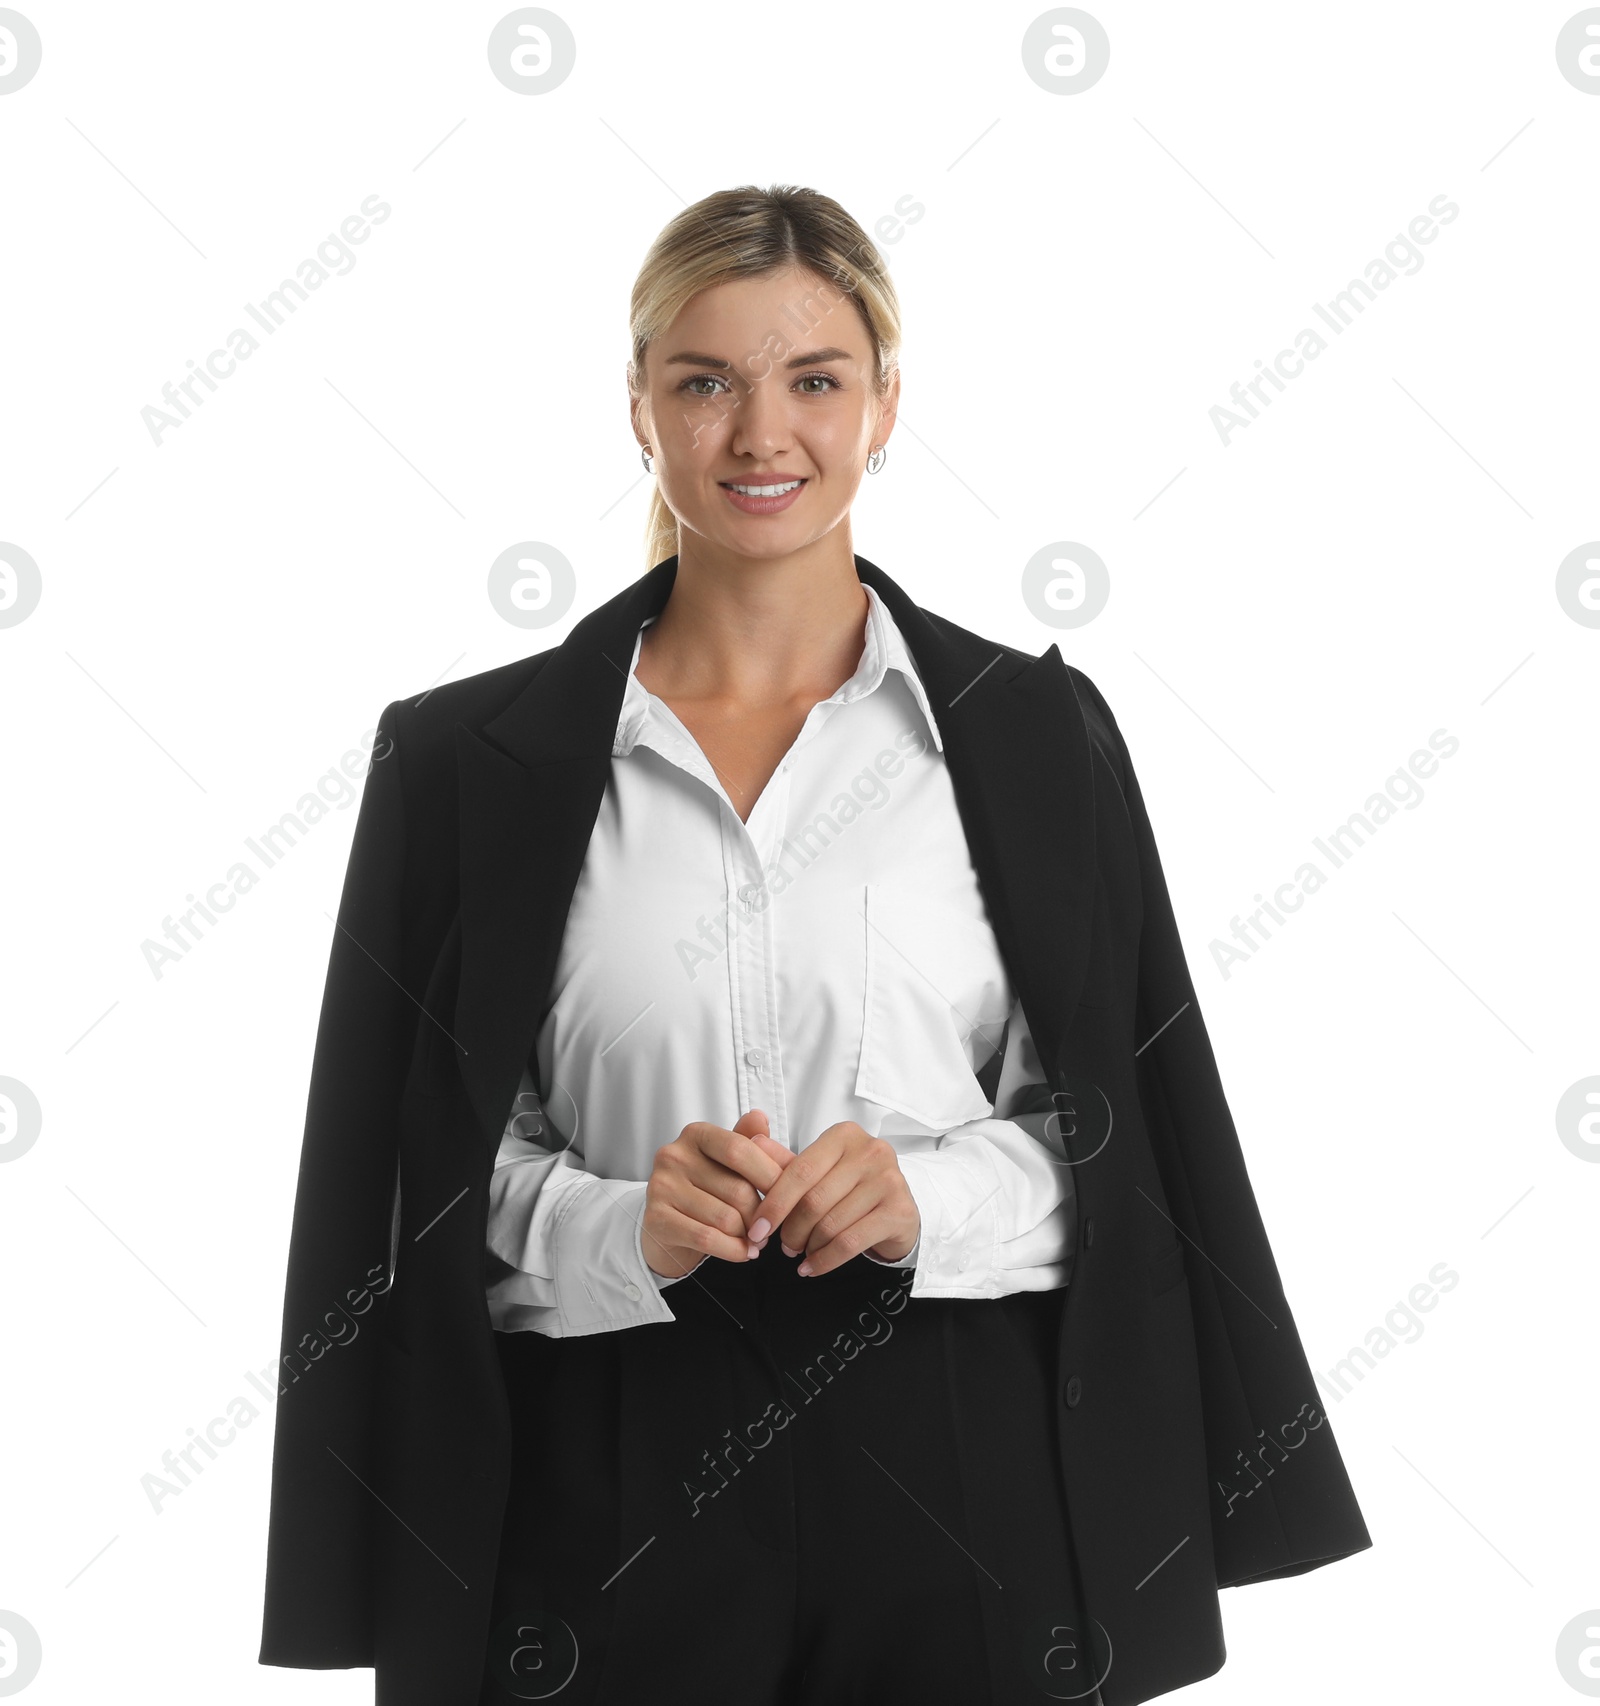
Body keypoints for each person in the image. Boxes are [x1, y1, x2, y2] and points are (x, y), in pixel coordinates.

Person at [259, 184, 1371, 1706]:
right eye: (704, 380)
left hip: (972, 1478)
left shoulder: (1036, 736)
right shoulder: (464, 760)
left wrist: (921, 1193)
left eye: (815, 380)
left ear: (887, 404)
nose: (760, 433)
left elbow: (1120, 1157)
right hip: (596, 1488)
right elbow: (419, 1188)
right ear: (636, 407)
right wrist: (625, 1223)